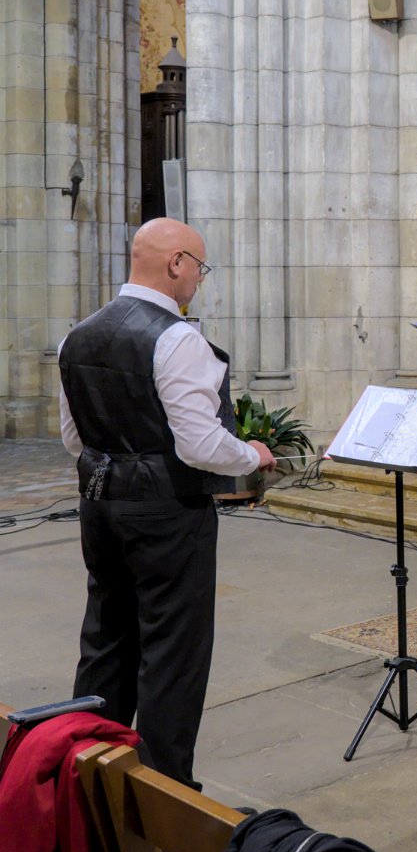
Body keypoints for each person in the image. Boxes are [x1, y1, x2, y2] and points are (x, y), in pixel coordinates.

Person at [58, 217, 275, 794]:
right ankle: (163, 800)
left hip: (100, 506)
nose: (200, 280)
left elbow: (75, 439)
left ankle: (86, 780)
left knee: (106, 639)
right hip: (166, 511)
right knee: (172, 654)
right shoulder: (177, 339)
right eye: (199, 267)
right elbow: (199, 445)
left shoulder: (79, 335)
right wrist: (252, 455)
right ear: (176, 262)